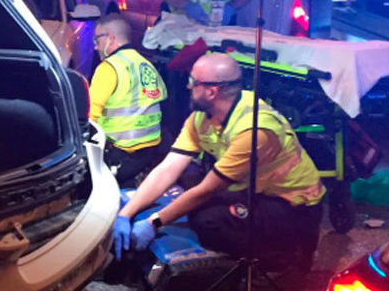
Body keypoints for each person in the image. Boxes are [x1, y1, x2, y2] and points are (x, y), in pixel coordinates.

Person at [113, 53, 324, 270]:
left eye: (193, 81)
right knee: (190, 201)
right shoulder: (202, 117)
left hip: (293, 206)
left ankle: (285, 255)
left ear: (212, 91)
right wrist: (125, 214)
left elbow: (207, 190)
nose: (187, 86)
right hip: (256, 191)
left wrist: (153, 223)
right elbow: (168, 168)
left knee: (208, 221)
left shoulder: (255, 129)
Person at [89, 15, 167, 187]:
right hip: (150, 148)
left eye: (97, 40)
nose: (95, 47)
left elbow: (90, 115)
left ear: (110, 37)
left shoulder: (109, 68)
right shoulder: (144, 63)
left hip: (121, 151)